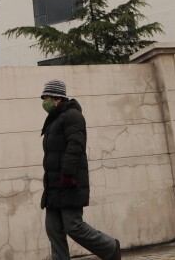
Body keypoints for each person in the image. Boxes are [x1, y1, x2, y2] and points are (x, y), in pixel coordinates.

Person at [40, 79, 122, 260]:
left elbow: (75, 145)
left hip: (68, 181)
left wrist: (68, 174)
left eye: (47, 97)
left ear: (58, 98)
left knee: (73, 226)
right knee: (53, 229)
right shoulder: (53, 120)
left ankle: (110, 247)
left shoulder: (73, 116)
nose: (44, 102)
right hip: (53, 184)